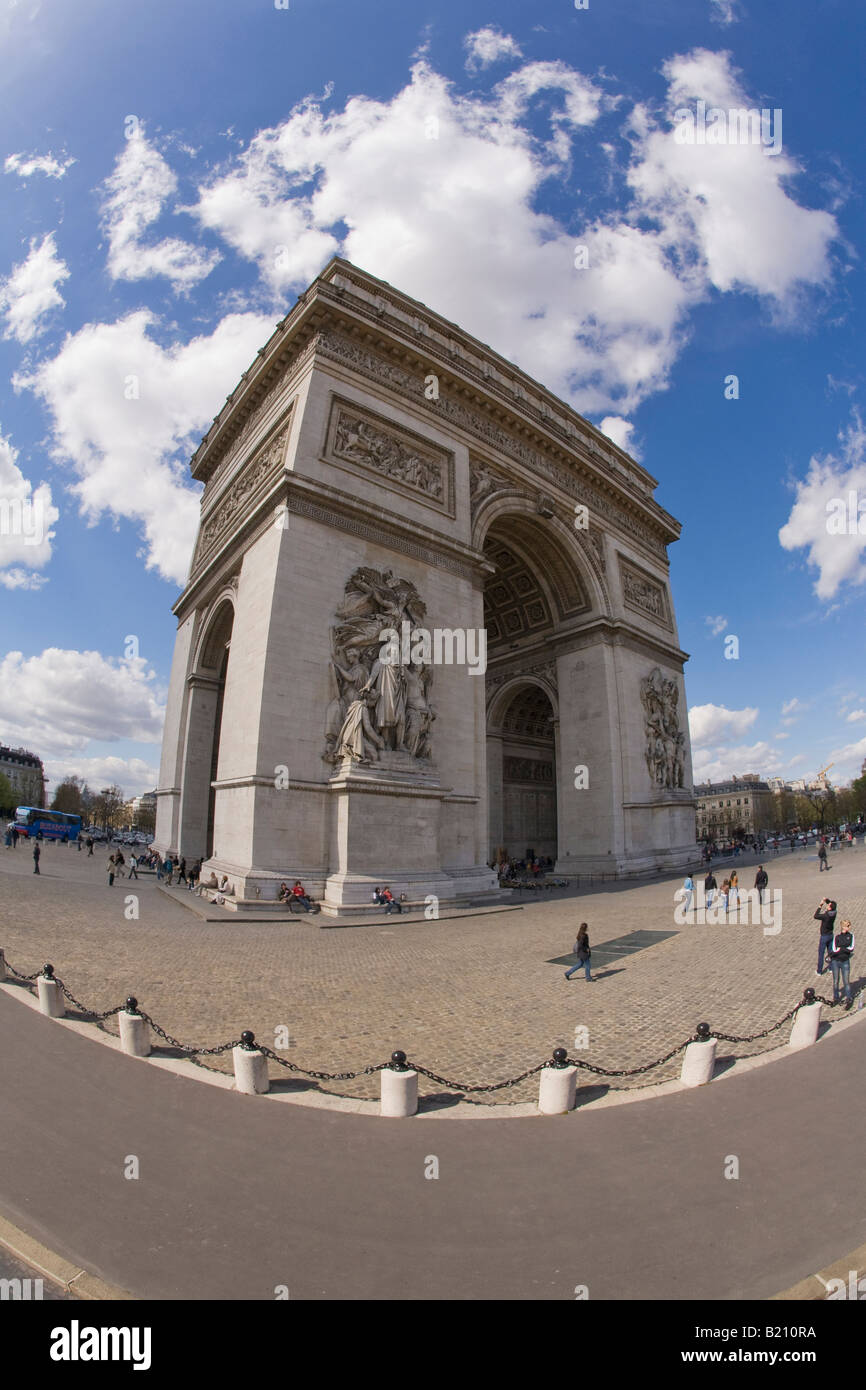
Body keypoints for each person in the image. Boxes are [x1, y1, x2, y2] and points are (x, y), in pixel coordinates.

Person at [828, 919, 855, 1006]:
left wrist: (842, 948)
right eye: (848, 926)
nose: (849, 927)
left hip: (845, 961)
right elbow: (834, 949)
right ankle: (836, 997)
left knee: (846, 981)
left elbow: (851, 948)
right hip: (836, 961)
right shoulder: (837, 937)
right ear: (843, 927)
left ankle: (849, 997)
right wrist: (844, 948)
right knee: (836, 980)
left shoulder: (851, 936)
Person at [815, 898, 837, 975]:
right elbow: (832, 904)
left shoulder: (825, 916)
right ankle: (831, 968)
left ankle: (819, 971)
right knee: (830, 952)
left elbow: (816, 916)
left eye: (828, 905)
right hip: (831, 935)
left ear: (830, 908)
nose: (827, 905)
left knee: (821, 953)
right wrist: (826, 900)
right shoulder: (834, 912)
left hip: (824, 936)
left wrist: (820, 906)